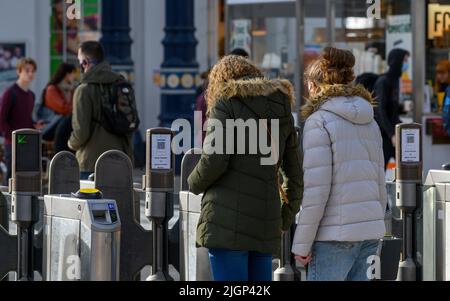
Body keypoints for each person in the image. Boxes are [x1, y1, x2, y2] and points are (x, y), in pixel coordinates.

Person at [188, 55, 303, 281]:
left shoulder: (225, 103)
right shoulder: (282, 108)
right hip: (265, 220)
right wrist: (284, 218)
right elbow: (295, 174)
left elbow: (214, 160)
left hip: (225, 220)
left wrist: (193, 182)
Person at [292, 47, 387, 281]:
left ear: (314, 86)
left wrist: (301, 245)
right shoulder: (369, 120)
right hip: (369, 235)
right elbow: (379, 181)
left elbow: (317, 191)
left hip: (333, 237)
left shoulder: (319, 121)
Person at [68, 41, 133, 180]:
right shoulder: (120, 84)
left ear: (85, 63)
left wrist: (71, 143)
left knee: (90, 201)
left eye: (80, 62)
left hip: (91, 163)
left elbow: (81, 132)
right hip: (120, 159)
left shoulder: (83, 90)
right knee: (118, 201)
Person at [0, 58, 42, 185]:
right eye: (27, 70)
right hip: (12, 143)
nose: (30, 74)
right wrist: (11, 138)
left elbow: (26, 119)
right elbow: (1, 119)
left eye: (33, 71)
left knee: (24, 179)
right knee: (11, 177)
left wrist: (34, 125)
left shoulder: (31, 95)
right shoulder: (10, 93)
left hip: (27, 143)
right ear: (18, 71)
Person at [373, 48, 410, 167]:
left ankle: (406, 186)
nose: (406, 63)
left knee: (406, 165)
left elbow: (390, 108)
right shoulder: (383, 81)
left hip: (393, 133)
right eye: (404, 60)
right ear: (397, 61)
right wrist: (391, 134)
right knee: (381, 169)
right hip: (384, 135)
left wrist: (402, 108)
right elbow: (380, 111)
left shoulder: (395, 81)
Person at [42, 63, 77, 153]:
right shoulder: (52, 89)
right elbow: (63, 108)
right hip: (53, 127)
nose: (75, 76)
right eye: (73, 73)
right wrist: (77, 108)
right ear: (67, 74)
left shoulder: (71, 89)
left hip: (67, 129)